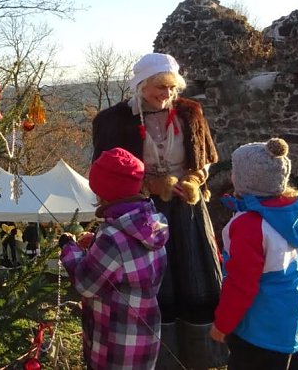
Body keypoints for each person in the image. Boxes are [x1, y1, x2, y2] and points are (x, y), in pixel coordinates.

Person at [91, 52, 227, 369]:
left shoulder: (190, 113)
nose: (165, 95)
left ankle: (201, 355)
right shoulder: (113, 121)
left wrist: (194, 179)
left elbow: (204, 157)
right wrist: (151, 185)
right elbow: (107, 171)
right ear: (140, 85)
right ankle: (159, 358)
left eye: (171, 88)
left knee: (193, 277)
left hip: (187, 212)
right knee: (156, 284)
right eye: (158, 88)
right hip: (142, 213)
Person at [59, 147, 169, 369]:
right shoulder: (155, 223)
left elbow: (86, 283)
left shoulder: (111, 237)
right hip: (146, 339)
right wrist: (96, 244)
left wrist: (69, 248)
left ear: (103, 192)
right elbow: (127, 261)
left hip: (113, 345)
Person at [211, 138, 298, 370]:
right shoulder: (294, 213)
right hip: (290, 327)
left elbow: (241, 283)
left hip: (259, 333)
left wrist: (223, 324)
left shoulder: (250, 226)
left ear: (244, 180)